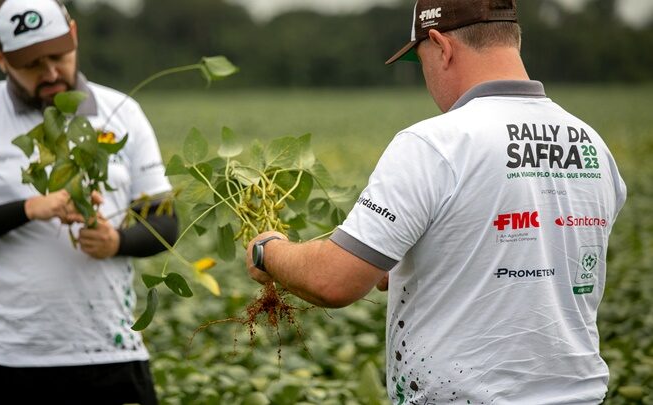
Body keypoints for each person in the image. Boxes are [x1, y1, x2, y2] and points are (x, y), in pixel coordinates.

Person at [246, 0, 626, 403]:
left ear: (442, 46)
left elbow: (333, 281)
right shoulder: (592, 144)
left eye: (421, 60)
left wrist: (267, 251)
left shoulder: (434, 144)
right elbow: (533, 252)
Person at [0, 0, 176, 403]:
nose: (51, 73)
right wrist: (28, 209)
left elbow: (165, 223)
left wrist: (116, 242)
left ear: (74, 35)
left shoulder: (124, 113)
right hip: (6, 360)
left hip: (111, 352)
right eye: (32, 64)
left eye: (58, 56)